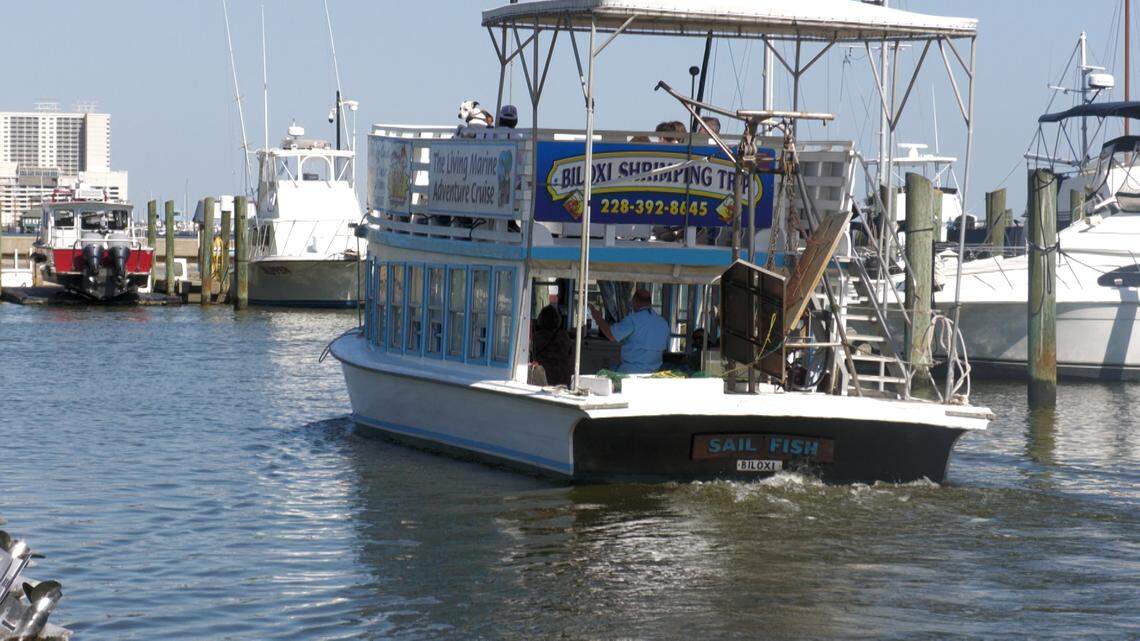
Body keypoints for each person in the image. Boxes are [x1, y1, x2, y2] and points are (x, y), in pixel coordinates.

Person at [589, 289, 670, 373]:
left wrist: (597, 317)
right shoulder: (663, 323)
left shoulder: (633, 320)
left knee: (603, 370)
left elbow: (611, 335)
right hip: (654, 372)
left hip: (631, 372)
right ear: (650, 303)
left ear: (634, 301)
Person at [530, 305, 573, 386]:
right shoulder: (564, 336)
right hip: (564, 381)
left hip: (544, 380)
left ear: (541, 319)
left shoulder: (537, 337)